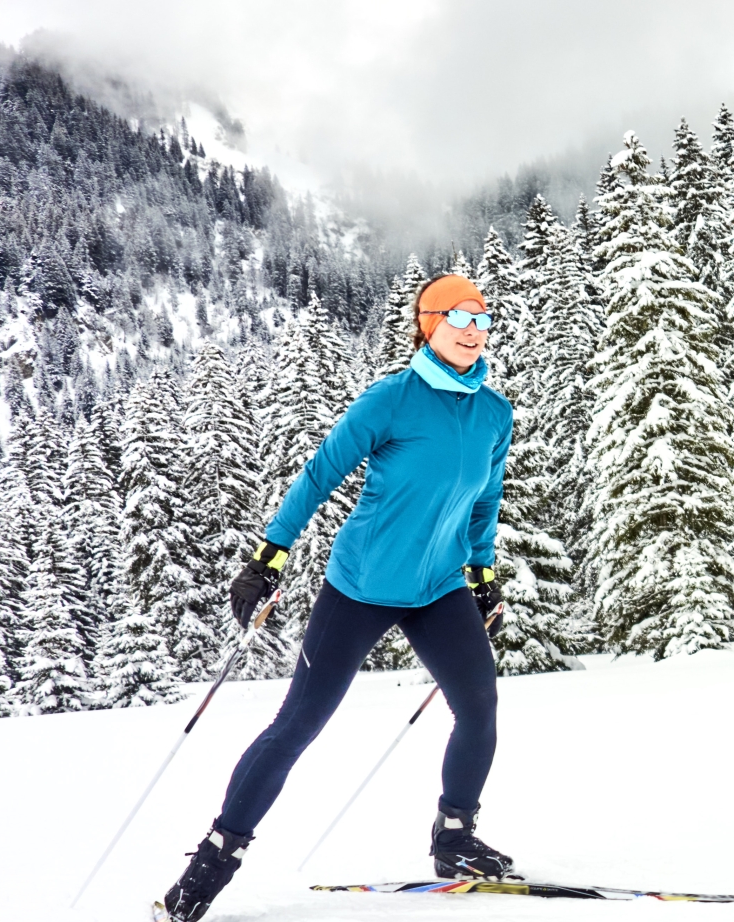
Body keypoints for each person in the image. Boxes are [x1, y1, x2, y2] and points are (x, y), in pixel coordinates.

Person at [161, 274, 517, 922]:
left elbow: (484, 502)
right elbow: (321, 473)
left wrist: (483, 572)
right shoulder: (392, 401)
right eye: (457, 316)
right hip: (360, 588)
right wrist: (270, 554)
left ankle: (455, 836)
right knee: (298, 725)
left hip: (438, 588)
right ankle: (213, 860)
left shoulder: (494, 414)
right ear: (427, 324)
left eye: (482, 318)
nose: (472, 329)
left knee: (480, 705)